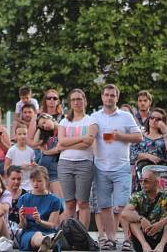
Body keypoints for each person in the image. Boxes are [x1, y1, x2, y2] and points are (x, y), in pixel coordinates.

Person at [91, 84, 143, 252]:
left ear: (117, 98)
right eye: (106, 95)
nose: (109, 98)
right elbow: (90, 137)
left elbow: (138, 137)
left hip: (121, 166)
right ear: (102, 97)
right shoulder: (95, 116)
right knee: (105, 206)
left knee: (123, 205)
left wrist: (120, 136)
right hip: (101, 167)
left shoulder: (126, 116)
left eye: (112, 95)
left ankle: (127, 239)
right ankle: (111, 239)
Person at [57, 88, 97, 229]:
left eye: (79, 99)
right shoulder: (64, 122)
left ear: (85, 101)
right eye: (73, 99)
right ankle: (68, 235)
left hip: (84, 164)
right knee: (69, 203)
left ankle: (83, 237)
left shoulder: (91, 121)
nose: (76, 102)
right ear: (70, 103)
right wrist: (81, 138)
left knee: (83, 203)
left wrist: (69, 143)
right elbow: (61, 142)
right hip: (65, 164)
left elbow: (89, 142)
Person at [120, 168, 167, 252]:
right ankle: (145, 246)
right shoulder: (137, 196)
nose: (142, 183)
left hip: (163, 235)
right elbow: (124, 213)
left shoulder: (166, 195)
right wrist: (141, 219)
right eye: (141, 180)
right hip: (144, 234)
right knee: (132, 219)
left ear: (156, 182)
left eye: (146, 181)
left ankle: (161, 245)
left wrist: (160, 224)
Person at [16, 166, 64, 252]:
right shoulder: (24, 198)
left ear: (46, 181)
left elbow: (52, 224)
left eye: (39, 181)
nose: (35, 183)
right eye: (33, 180)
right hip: (29, 232)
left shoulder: (55, 200)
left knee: (43, 234)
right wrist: (22, 219)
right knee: (37, 234)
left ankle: (46, 244)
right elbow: (22, 226)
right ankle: (48, 243)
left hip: (48, 231)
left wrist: (40, 221)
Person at [130, 108, 167, 189]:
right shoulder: (140, 135)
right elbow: (132, 154)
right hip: (142, 173)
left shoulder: (166, 137)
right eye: (152, 117)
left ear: (163, 122)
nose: (154, 120)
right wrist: (147, 156)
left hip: (160, 174)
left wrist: (165, 133)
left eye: (158, 119)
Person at [33, 112, 63, 198]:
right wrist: (39, 128)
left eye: (44, 122)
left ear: (49, 117)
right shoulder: (47, 133)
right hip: (43, 172)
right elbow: (35, 143)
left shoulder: (62, 128)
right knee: (48, 200)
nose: (45, 126)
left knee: (60, 199)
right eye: (42, 126)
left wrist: (45, 152)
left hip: (55, 171)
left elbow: (59, 148)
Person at [5, 125, 36, 191]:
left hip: (29, 184)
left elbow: (33, 166)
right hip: (16, 184)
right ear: (15, 136)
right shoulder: (11, 150)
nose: (22, 136)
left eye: (24, 134)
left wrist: (33, 166)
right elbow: (6, 168)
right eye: (19, 134)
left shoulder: (31, 151)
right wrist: (20, 167)